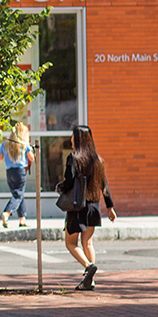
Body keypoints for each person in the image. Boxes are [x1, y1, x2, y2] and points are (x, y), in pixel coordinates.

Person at [61, 125, 117, 291]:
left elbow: (69, 181)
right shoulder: (97, 160)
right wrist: (110, 207)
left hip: (77, 207)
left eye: (72, 136)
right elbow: (104, 185)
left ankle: (88, 266)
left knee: (70, 243)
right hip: (93, 206)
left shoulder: (73, 158)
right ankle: (90, 280)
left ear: (77, 139)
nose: (71, 139)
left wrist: (60, 187)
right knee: (88, 242)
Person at [0, 122, 35, 228]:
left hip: (9, 172)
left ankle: (22, 219)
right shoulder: (23, 144)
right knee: (18, 195)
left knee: (18, 194)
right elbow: (32, 158)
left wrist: (8, 158)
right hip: (20, 171)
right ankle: (7, 213)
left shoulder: (6, 143)